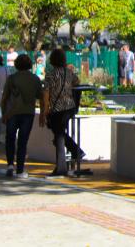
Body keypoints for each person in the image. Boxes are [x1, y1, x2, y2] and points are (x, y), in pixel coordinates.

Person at [41, 48, 84, 177]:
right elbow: (77, 81)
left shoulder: (51, 74)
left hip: (57, 108)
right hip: (69, 107)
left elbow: (46, 93)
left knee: (59, 135)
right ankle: (72, 155)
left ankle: (67, 161)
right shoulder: (69, 73)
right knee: (59, 134)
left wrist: (45, 109)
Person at [1, 54, 44, 178]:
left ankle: (10, 165)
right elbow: (41, 97)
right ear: (30, 65)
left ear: (16, 65)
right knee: (22, 141)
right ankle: (20, 169)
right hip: (28, 113)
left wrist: (4, 113)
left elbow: (4, 98)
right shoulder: (35, 79)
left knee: (10, 138)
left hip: (12, 113)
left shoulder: (11, 78)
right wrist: (42, 113)